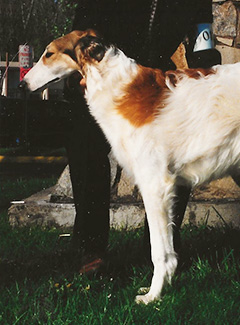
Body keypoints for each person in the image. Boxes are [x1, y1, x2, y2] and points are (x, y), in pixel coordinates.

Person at [64, 0, 221, 273]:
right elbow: (85, 30)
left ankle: (164, 240)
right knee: (84, 139)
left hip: (154, 74)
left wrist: (208, 81)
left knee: (181, 140)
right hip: (105, 71)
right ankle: (91, 248)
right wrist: (88, 69)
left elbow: (202, 44)